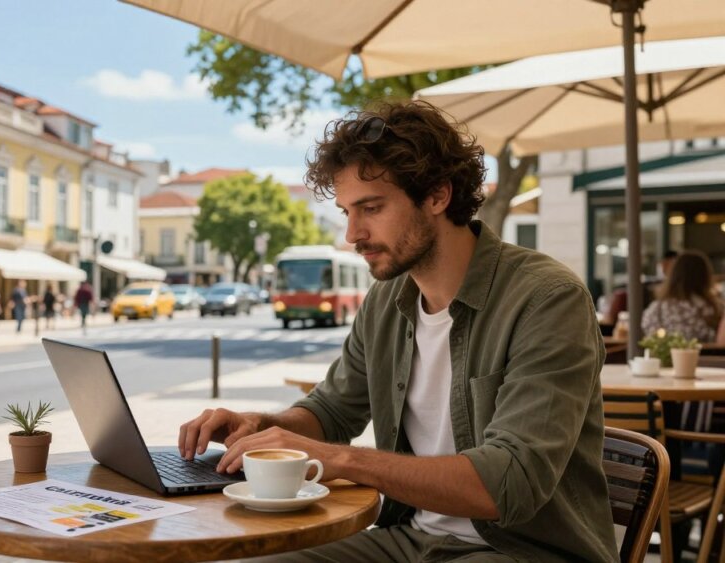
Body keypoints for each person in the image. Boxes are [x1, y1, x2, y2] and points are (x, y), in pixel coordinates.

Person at [178, 101, 616, 561]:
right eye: (347, 211)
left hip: (523, 551)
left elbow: (509, 482)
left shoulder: (547, 298)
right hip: (408, 538)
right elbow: (332, 412)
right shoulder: (386, 301)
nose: (352, 234)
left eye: (371, 208)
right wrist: (265, 427)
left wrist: (342, 460)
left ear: (436, 196)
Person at [642, 250, 723, 342]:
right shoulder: (710, 308)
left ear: (674, 274)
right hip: (706, 355)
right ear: (705, 276)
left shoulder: (656, 308)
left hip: (661, 356)